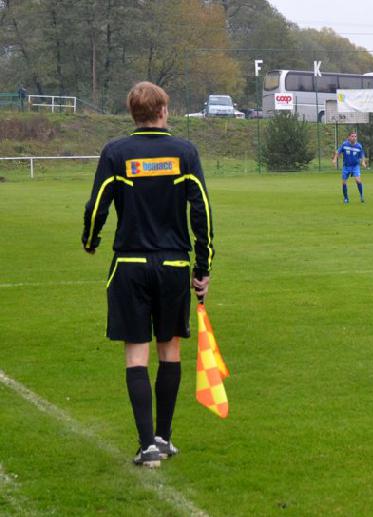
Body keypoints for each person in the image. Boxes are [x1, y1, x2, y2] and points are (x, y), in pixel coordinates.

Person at [82, 81, 213, 467]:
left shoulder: (116, 153)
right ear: (163, 111)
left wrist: (90, 240)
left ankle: (147, 447)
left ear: (134, 113)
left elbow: (97, 205)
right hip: (173, 266)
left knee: (136, 356)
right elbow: (202, 211)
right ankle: (164, 437)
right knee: (169, 350)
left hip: (131, 266)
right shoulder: (184, 152)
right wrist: (202, 268)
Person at [332, 131, 367, 203]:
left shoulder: (359, 146)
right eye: (352, 136)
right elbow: (338, 152)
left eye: (355, 136)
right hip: (346, 166)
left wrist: (363, 162)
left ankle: (361, 196)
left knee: (358, 180)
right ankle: (346, 198)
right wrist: (335, 159)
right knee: (344, 183)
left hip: (355, 166)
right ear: (349, 137)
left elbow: (362, 155)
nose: (354, 138)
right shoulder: (345, 144)